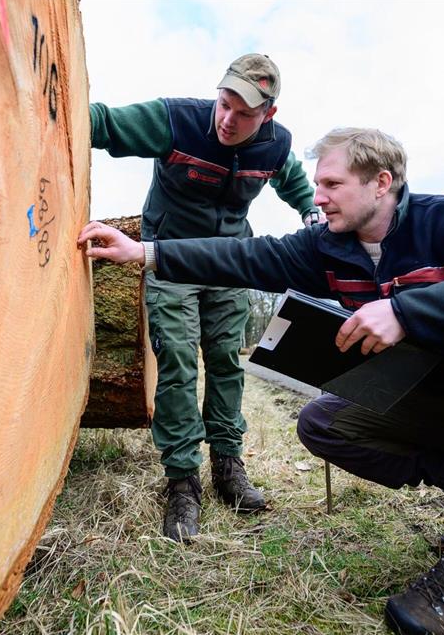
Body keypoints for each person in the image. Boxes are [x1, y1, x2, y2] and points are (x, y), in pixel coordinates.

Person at [77, 127, 444, 635]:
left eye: (332, 185)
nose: (318, 197)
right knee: (326, 422)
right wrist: (144, 253)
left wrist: (406, 311)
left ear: (380, 183)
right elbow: (245, 257)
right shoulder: (329, 247)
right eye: (318, 185)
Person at [89, 54, 318, 542]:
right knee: (175, 358)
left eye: (243, 113)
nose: (227, 120)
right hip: (166, 258)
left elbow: (293, 178)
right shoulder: (176, 121)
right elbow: (103, 124)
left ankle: (228, 466)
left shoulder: (275, 145)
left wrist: (310, 213)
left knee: (225, 359)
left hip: (228, 262)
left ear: (267, 117)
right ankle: (182, 482)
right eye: (224, 103)